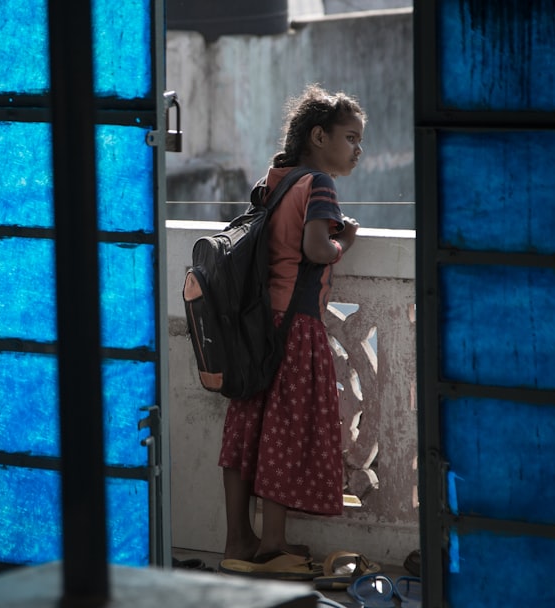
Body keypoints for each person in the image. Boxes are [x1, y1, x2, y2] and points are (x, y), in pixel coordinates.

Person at [218, 84, 364, 575]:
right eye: (350, 137)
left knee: (247, 430)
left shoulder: (275, 179)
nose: (357, 150)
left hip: (256, 323)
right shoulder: (319, 185)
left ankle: (238, 540)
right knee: (285, 429)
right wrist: (347, 238)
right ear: (319, 137)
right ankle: (274, 545)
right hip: (295, 325)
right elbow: (319, 249)